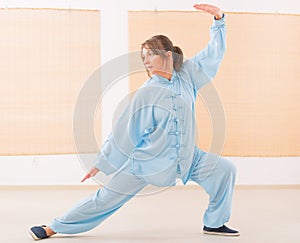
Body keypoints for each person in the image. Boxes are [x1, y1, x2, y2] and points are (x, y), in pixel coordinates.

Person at [29, 3, 239, 240]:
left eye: (150, 54)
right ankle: (55, 226)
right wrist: (103, 161)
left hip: (189, 157)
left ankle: (214, 223)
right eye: (143, 57)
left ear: (168, 55)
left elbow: (213, 54)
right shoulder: (146, 93)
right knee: (106, 197)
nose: (146, 61)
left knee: (225, 170)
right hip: (148, 161)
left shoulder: (188, 75)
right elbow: (125, 131)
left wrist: (219, 20)